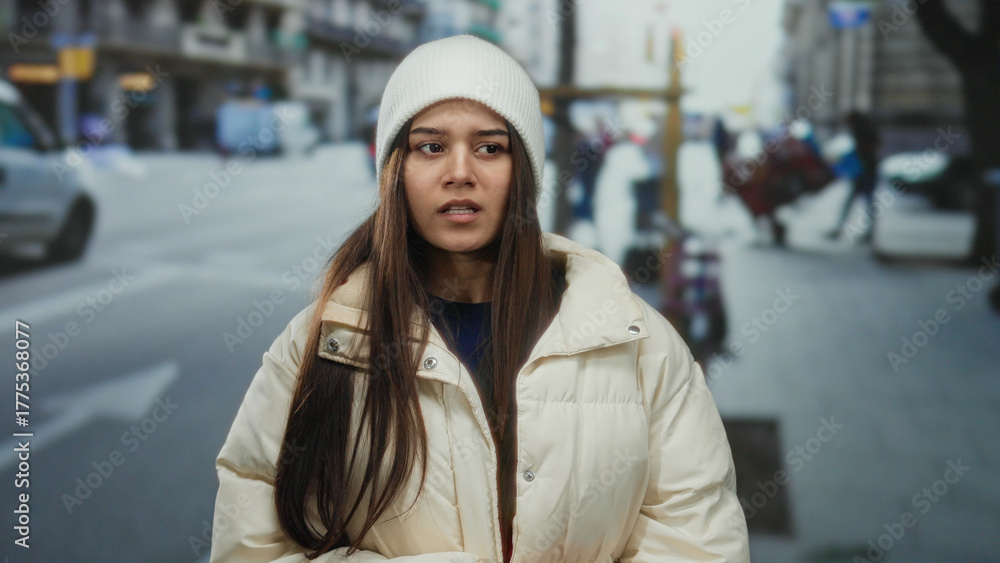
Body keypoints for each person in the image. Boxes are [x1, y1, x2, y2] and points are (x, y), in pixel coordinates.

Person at [210, 35, 749, 563]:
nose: (460, 173)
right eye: (431, 146)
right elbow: (254, 546)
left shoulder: (637, 343)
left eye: (490, 147)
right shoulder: (322, 343)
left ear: (525, 173)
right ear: (396, 170)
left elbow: (698, 541)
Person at [828, 110, 881, 241]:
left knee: (863, 202)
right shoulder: (861, 130)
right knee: (865, 202)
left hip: (865, 171)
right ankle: (868, 232)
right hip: (864, 170)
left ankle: (865, 232)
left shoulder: (862, 131)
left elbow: (871, 145)